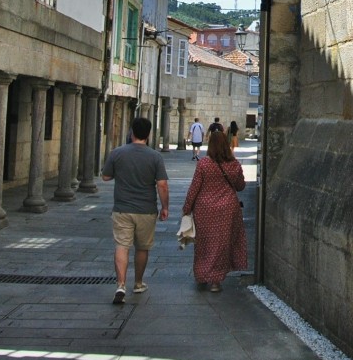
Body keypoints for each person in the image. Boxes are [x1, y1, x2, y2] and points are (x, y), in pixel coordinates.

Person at [101, 116, 169, 304]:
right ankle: (138, 283)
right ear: (148, 134)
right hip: (146, 209)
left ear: (131, 132)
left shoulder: (117, 153)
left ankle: (121, 284)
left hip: (122, 208)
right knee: (142, 247)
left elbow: (105, 177)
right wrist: (165, 207)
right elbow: (162, 185)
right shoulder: (155, 156)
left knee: (122, 245)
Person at [182, 128, 247, 292]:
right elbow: (241, 186)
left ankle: (202, 275)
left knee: (204, 243)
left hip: (204, 209)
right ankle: (216, 281)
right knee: (221, 244)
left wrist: (187, 208)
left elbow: (194, 188)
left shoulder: (204, 164)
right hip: (227, 209)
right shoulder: (234, 165)